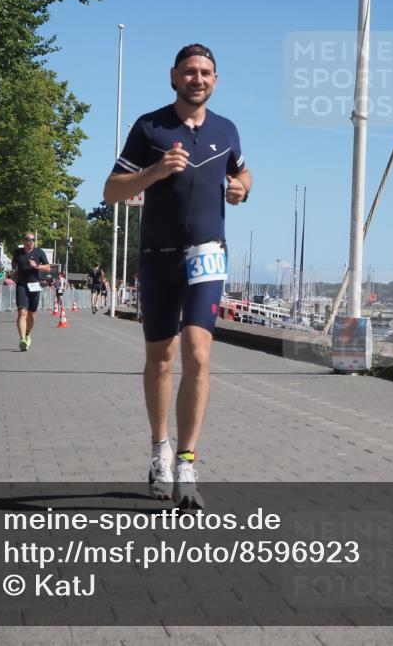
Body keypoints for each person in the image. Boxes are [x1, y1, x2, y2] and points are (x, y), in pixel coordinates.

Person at [103, 43, 251, 509]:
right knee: (161, 359)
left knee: (198, 354)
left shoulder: (227, 130)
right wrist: (154, 171)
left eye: (206, 72)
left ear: (215, 80)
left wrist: (239, 190)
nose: (198, 79)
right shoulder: (149, 127)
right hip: (157, 255)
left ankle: (187, 459)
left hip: (206, 255)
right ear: (173, 77)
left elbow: (245, 177)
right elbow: (110, 191)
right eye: (190, 72)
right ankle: (158, 449)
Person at [11, 232, 49, 351]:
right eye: (28, 239)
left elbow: (48, 267)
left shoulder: (39, 252)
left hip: (35, 285)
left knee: (32, 314)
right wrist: (14, 271)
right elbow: (14, 263)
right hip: (22, 285)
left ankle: (27, 334)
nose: (31, 241)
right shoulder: (18, 252)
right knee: (22, 313)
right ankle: (22, 340)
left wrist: (36, 266)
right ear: (24, 241)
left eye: (33, 239)